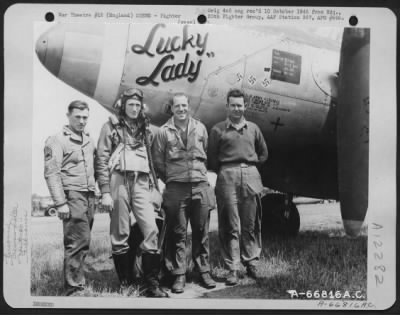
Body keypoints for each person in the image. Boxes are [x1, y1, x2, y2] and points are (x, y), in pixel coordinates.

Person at [96, 88, 168, 298]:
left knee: (151, 228)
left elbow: (153, 159)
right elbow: (101, 159)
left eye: (138, 105)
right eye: (131, 105)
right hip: (119, 180)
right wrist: (105, 192)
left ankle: (151, 282)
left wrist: (156, 185)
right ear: (123, 106)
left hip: (142, 182)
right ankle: (127, 282)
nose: (134, 109)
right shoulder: (110, 126)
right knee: (120, 232)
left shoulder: (147, 128)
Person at [152, 92, 216, 293]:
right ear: (171, 108)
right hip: (176, 188)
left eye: (184, 105)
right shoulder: (163, 132)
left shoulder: (200, 128)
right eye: (177, 106)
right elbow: (158, 162)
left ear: (189, 106)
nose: (181, 109)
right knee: (178, 233)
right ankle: (179, 274)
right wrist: (173, 178)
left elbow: (206, 153)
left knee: (201, 231)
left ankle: (203, 270)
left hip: (199, 186)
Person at [208, 88, 268, 286]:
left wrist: (249, 167)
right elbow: (212, 158)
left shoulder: (254, 129)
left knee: (251, 224)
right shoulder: (217, 130)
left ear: (245, 106)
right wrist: (228, 170)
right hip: (227, 176)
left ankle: (252, 263)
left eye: (239, 105)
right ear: (227, 106)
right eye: (233, 105)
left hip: (251, 175)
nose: (236, 108)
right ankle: (233, 268)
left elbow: (263, 154)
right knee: (229, 225)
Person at [43, 100, 96, 296]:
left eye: (85, 117)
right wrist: (60, 203)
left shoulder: (89, 140)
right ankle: (73, 290)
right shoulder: (56, 140)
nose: (82, 121)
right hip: (72, 195)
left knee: (84, 241)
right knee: (76, 242)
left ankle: (76, 282)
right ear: (68, 116)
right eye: (78, 117)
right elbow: (51, 172)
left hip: (90, 195)